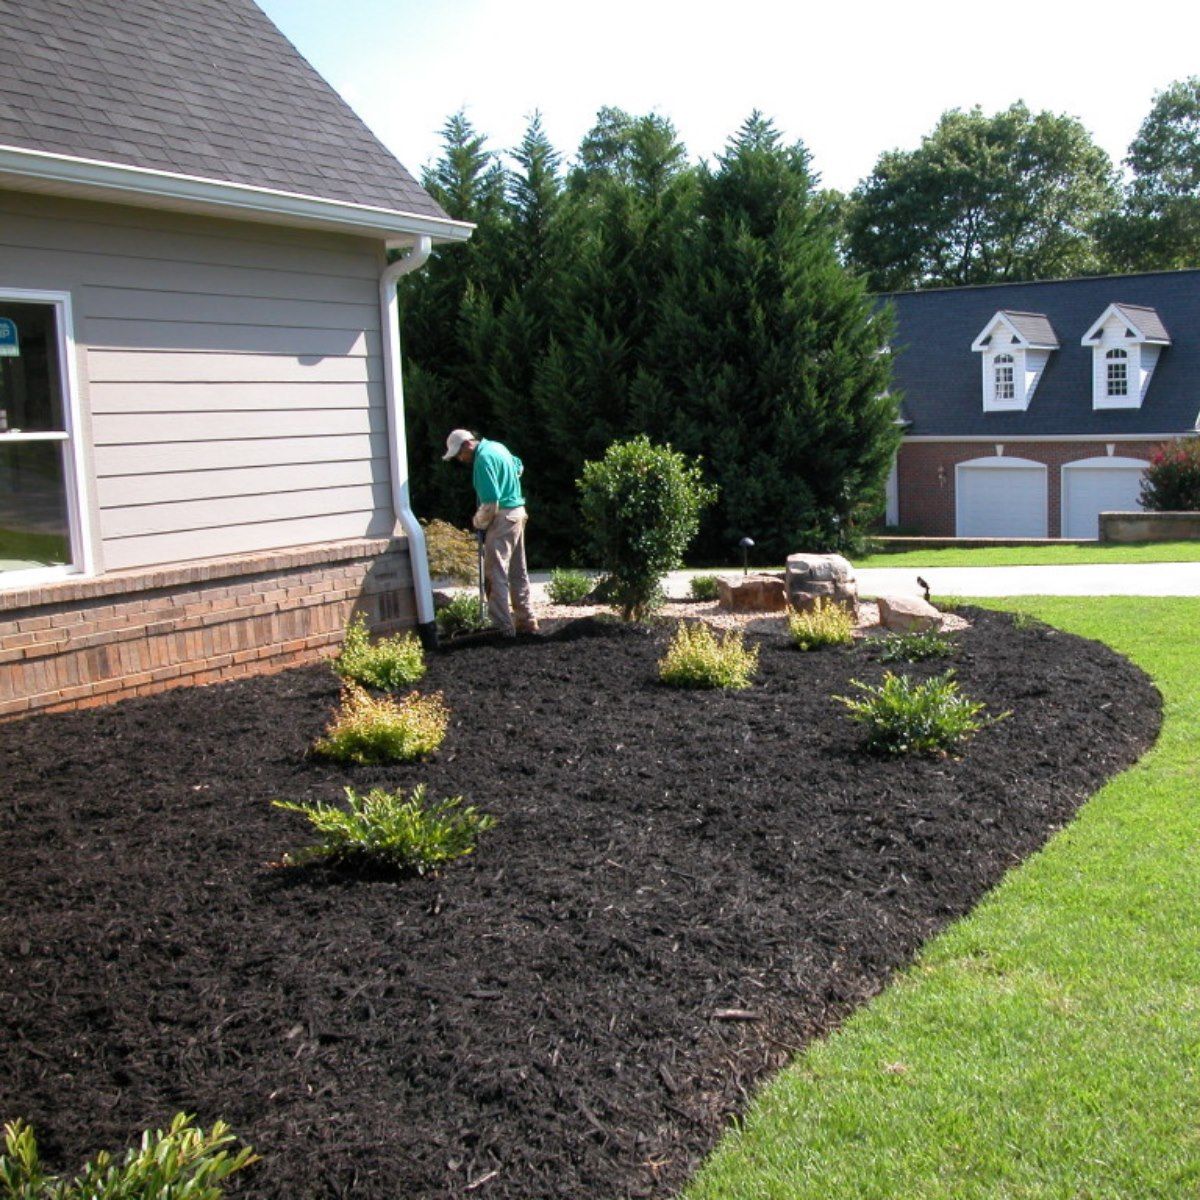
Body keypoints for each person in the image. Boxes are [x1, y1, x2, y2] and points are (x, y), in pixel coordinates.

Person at [443, 429, 539, 636]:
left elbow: (491, 502)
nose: (461, 459)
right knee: (517, 570)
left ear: (467, 445)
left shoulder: (483, 459)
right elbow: (518, 465)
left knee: (495, 573)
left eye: (459, 454)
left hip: (503, 517)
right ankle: (526, 620)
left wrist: (479, 521)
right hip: (518, 513)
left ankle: (501, 627)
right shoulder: (497, 447)